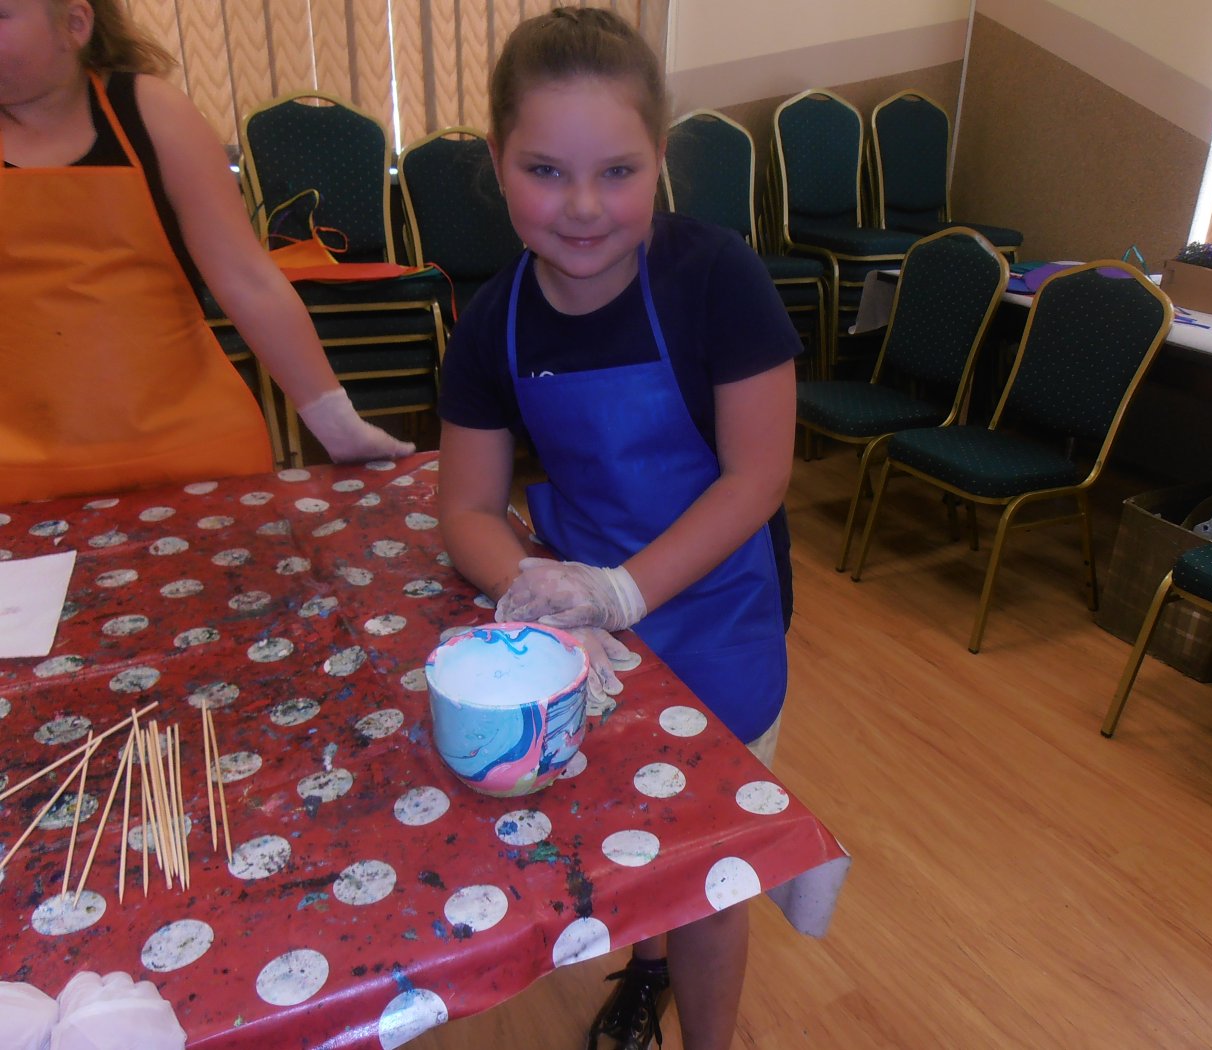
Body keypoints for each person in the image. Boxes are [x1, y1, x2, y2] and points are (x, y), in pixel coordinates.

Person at [436, 9, 800, 1049]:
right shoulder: (493, 321)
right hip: (587, 641)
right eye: (546, 171)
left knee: (711, 871)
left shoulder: (715, 278)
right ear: (497, 161)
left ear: (661, 159)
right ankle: (646, 971)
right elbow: (466, 507)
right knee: (629, 840)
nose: (585, 207)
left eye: (618, 172)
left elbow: (758, 475)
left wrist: (622, 592)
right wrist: (538, 594)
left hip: (718, 619)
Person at [0, 0, 412, 505]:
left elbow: (247, 279)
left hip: (193, 452)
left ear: (75, 23)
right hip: (21, 471)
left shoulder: (151, 112)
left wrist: (338, 424)